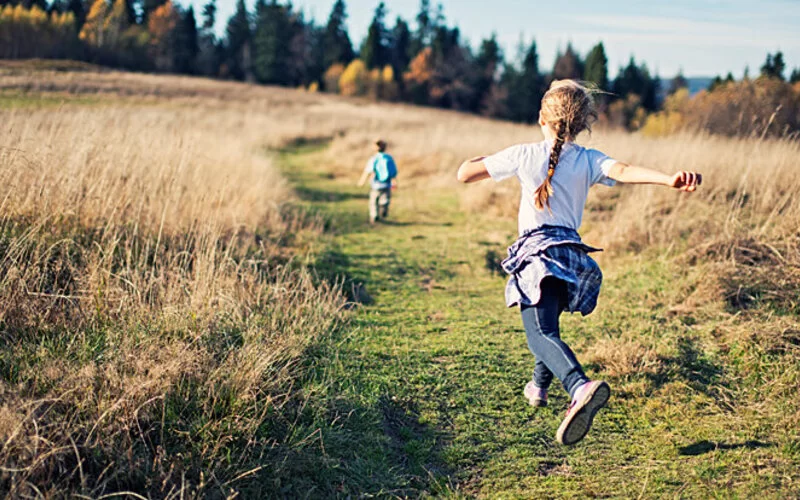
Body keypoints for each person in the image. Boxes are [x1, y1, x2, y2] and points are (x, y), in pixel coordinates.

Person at [456, 80, 702, 446]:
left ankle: (579, 386)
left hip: (537, 253)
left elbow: (464, 174)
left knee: (539, 334)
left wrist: (478, 160)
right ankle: (538, 387)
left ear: (542, 117)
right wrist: (668, 180)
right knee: (548, 323)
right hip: (570, 255)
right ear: (582, 123)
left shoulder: (523, 154)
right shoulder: (588, 159)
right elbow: (625, 170)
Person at [358, 139, 398, 224]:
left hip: (375, 185)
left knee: (373, 201)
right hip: (387, 184)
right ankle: (383, 208)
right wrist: (394, 182)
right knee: (385, 199)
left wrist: (362, 181)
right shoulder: (389, 158)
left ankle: (374, 215)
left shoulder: (374, 159)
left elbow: (367, 171)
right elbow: (393, 172)